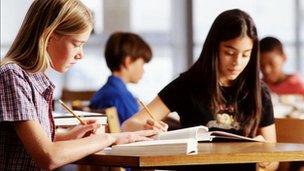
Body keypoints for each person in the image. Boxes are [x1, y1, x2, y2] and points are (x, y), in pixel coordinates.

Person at [0, 0, 156, 170]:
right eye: (77, 44)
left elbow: (31, 143)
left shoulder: (34, 79)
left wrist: (70, 135)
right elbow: (48, 156)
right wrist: (110, 138)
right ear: (49, 36)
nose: (81, 55)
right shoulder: (12, 75)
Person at [122, 9, 277, 170]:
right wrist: (147, 128)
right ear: (214, 48)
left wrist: (263, 160)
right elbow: (129, 125)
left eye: (245, 55)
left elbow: (274, 161)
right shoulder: (188, 85)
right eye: (229, 53)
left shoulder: (258, 92)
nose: (237, 62)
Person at [90, 32, 152, 124]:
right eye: (142, 64)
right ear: (128, 62)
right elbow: (137, 127)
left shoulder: (103, 93)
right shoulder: (119, 97)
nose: (143, 70)